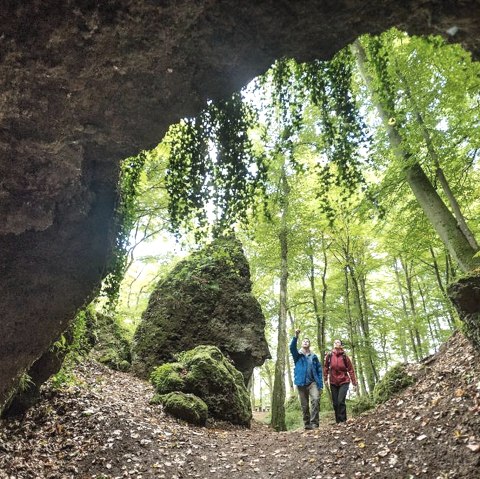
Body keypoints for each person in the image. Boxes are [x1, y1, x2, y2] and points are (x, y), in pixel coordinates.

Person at [289, 328, 323, 430]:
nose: (305, 342)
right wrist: (296, 336)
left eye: (307, 341)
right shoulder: (297, 355)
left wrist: (320, 385)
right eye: (304, 341)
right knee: (304, 405)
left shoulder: (314, 356)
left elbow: (319, 371)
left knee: (316, 400)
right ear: (301, 343)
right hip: (301, 383)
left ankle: (314, 423)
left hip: (313, 382)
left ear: (309, 344)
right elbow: (291, 347)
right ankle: (307, 424)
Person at [323, 339, 357, 424]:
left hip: (344, 381)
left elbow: (351, 370)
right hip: (333, 382)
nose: (336, 343)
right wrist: (325, 378)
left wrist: (354, 383)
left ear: (341, 345)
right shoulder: (329, 355)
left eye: (338, 342)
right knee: (335, 403)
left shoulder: (345, 356)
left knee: (340, 400)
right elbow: (326, 367)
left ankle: (343, 421)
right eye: (335, 342)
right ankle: (338, 422)